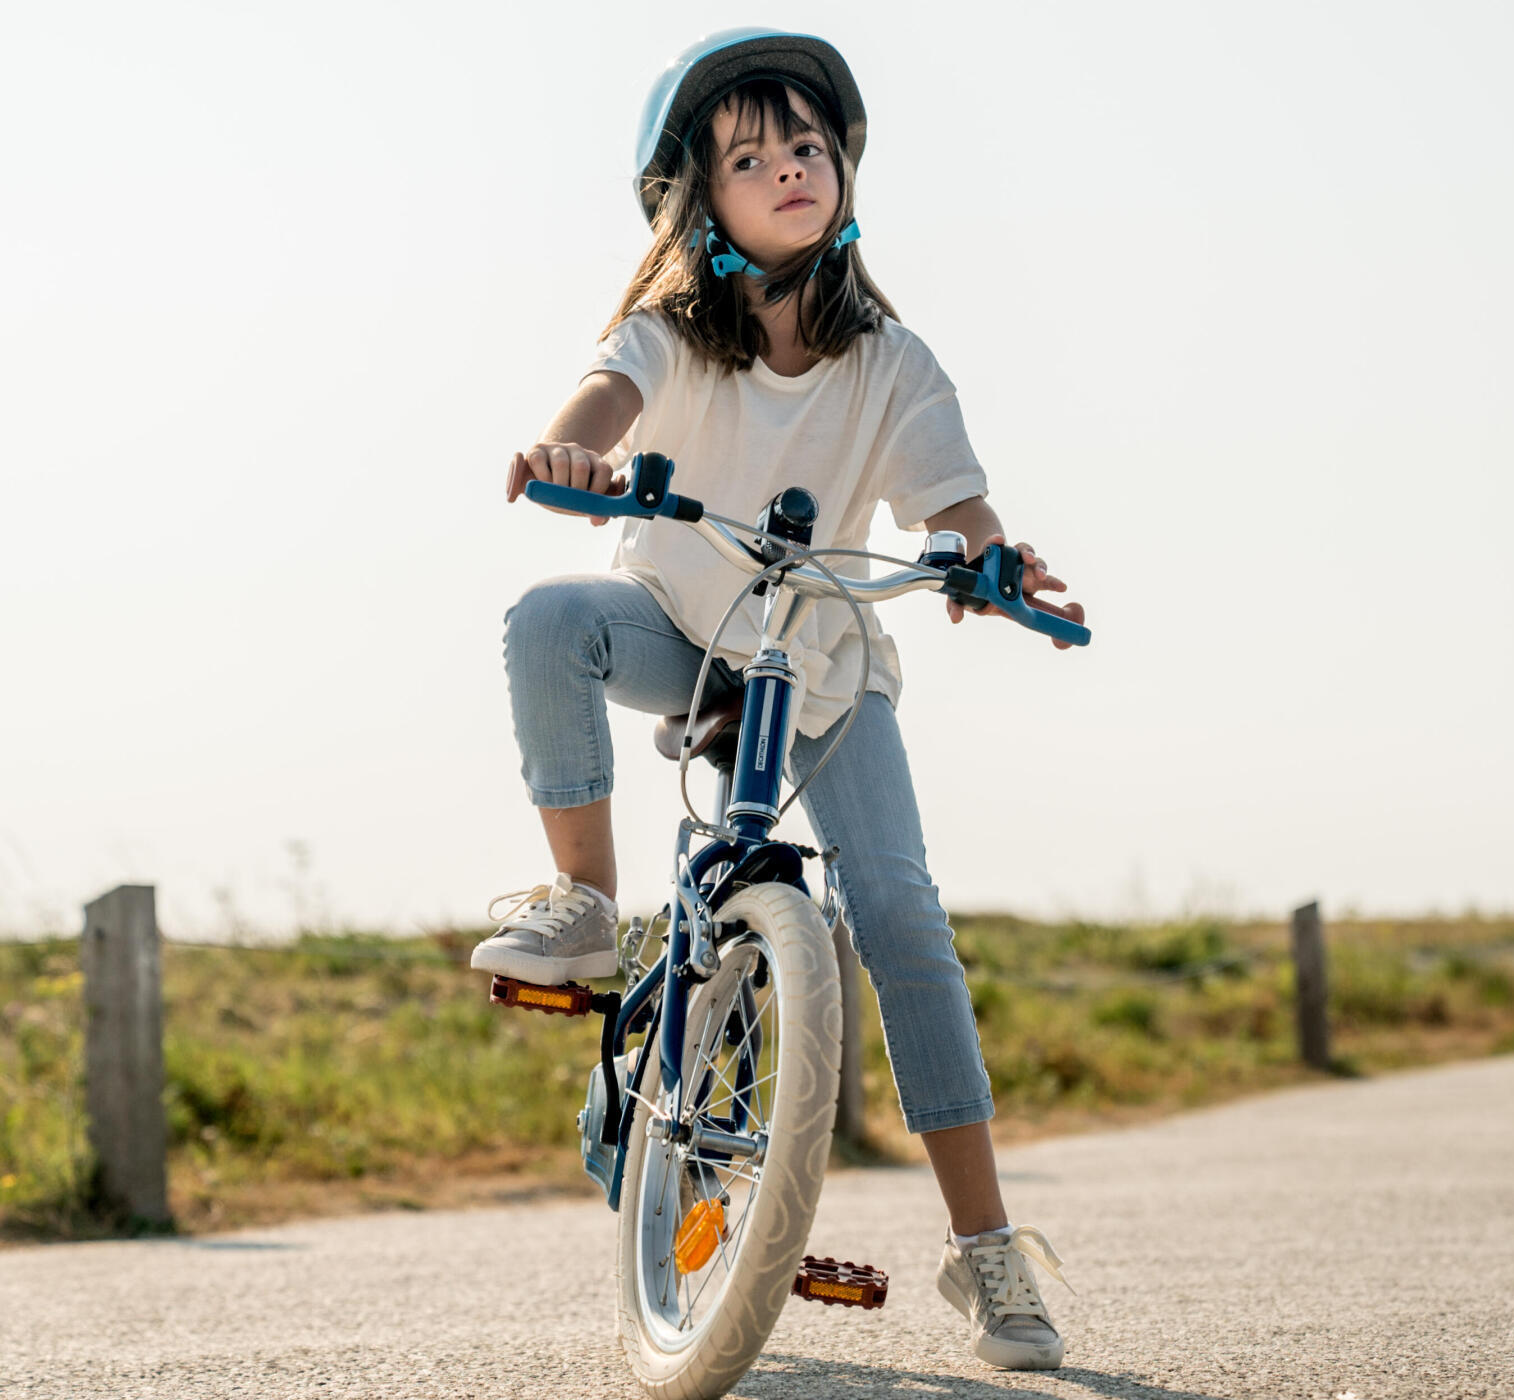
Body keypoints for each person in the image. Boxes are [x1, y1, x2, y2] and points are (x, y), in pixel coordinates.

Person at [472, 28, 1086, 1371]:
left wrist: (991, 558)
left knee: (905, 919)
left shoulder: (893, 364)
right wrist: (575, 441)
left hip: (819, 668)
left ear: (842, 171)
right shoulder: (669, 340)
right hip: (686, 629)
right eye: (750, 155)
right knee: (550, 621)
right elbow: (605, 394)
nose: (790, 165)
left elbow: (954, 501)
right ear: (706, 205)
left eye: (807, 142)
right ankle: (581, 901)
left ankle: (988, 1256)